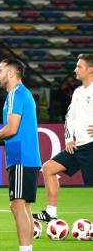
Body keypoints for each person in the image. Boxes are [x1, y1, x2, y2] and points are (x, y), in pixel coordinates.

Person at [34, 54, 93, 221]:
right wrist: (68, 139)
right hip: (77, 146)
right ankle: (50, 213)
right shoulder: (78, 92)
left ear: (90, 70)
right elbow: (70, 117)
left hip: (91, 146)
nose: (75, 69)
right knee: (48, 168)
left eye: (79, 66)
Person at [0, 58, 40, 251]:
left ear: (11, 74)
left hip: (21, 157)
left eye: (0, 71)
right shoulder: (22, 94)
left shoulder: (15, 94)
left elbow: (12, 129)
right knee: (24, 206)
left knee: (17, 205)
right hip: (25, 157)